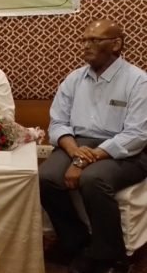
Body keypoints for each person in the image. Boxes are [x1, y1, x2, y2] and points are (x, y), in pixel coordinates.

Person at [39, 19, 147, 273]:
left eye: (94, 40)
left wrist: (83, 161)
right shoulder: (74, 79)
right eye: (84, 40)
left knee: (93, 179)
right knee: (45, 177)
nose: (85, 46)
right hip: (77, 144)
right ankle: (77, 243)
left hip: (125, 151)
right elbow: (58, 122)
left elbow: (137, 134)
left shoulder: (138, 81)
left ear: (116, 44)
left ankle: (108, 257)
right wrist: (74, 151)